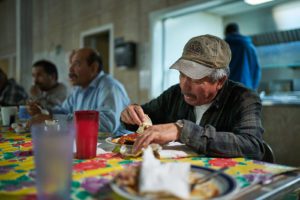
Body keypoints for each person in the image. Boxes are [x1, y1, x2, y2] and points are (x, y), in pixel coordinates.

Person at [121, 34, 264, 160]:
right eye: (182, 74)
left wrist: (182, 131)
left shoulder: (244, 98)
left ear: (220, 81)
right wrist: (130, 115)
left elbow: (252, 146)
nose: (184, 86)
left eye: (196, 79)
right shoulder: (175, 94)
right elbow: (142, 117)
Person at [28, 48, 130, 134]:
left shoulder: (109, 87)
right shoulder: (79, 90)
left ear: (93, 68)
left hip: (112, 150)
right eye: (71, 64)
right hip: (86, 145)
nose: (70, 69)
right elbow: (63, 111)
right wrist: (43, 112)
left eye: (76, 64)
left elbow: (106, 125)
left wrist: (52, 119)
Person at [224, 23, 261, 90]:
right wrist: (253, 89)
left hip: (228, 90)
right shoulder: (249, 46)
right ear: (238, 32)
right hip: (246, 89)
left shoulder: (222, 47)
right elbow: (256, 70)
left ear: (226, 33)